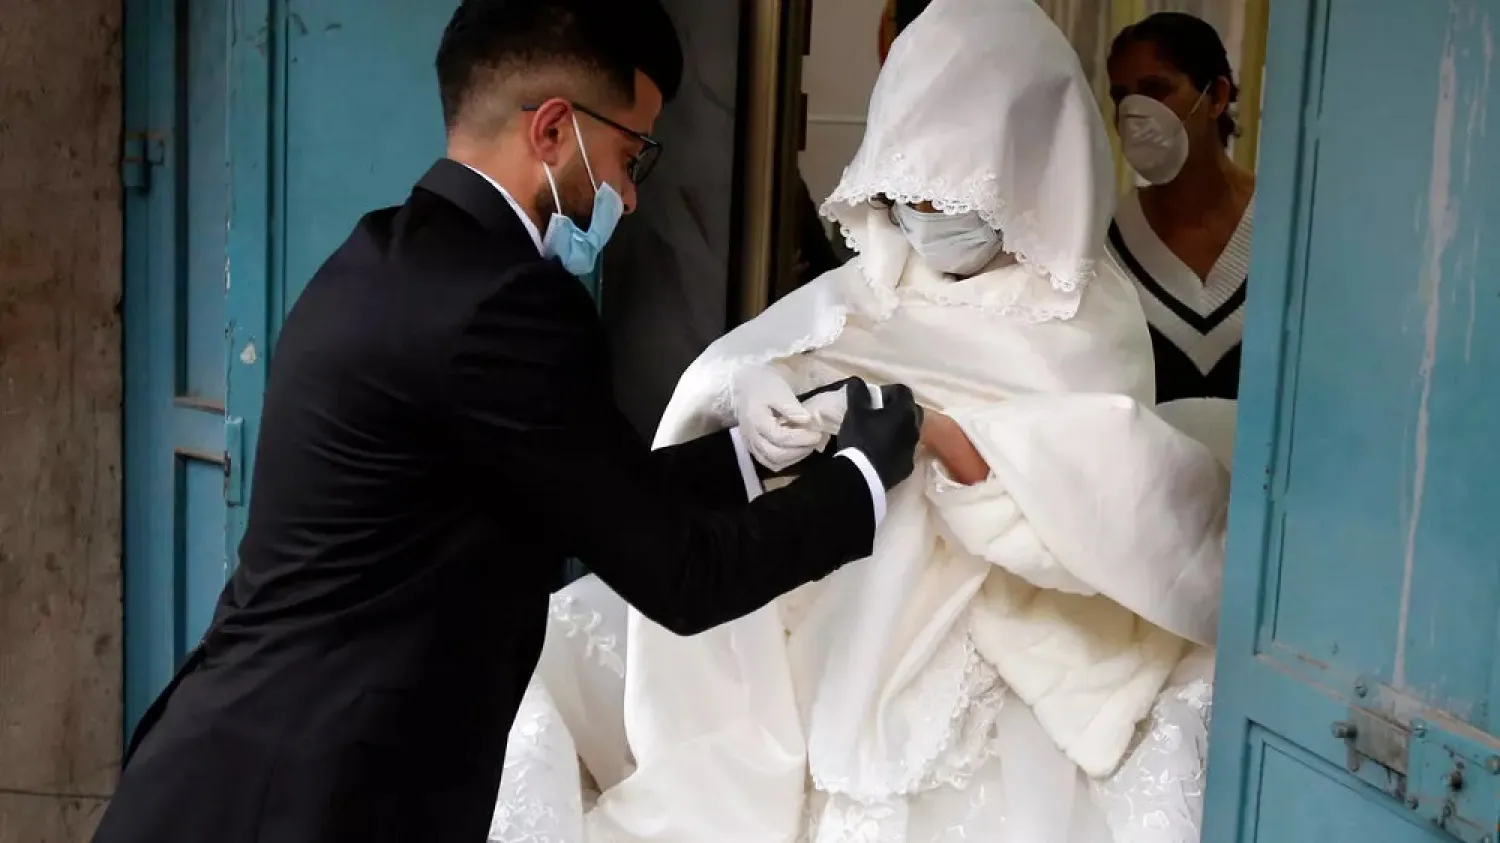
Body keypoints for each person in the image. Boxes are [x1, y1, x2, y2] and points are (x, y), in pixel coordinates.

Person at [90, 2, 925, 842]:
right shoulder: (507, 305)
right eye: (631, 157)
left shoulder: (386, 254)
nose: (630, 198)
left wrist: (759, 449)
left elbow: (582, 486)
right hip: (304, 797)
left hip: (228, 767)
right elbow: (684, 575)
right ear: (555, 130)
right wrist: (859, 478)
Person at [489, 0, 1235, 840]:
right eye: (904, 188)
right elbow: (784, 348)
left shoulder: (1088, 310)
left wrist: (929, 430)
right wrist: (753, 387)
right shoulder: (886, 269)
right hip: (836, 566)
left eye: (948, 190)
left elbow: (1097, 475)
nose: (920, 214)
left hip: (980, 603)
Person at [1107, 12, 1257, 402]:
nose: (1134, 114)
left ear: (1217, 97)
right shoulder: (1106, 243)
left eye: (1156, 90)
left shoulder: (1289, 229)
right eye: (1122, 97)